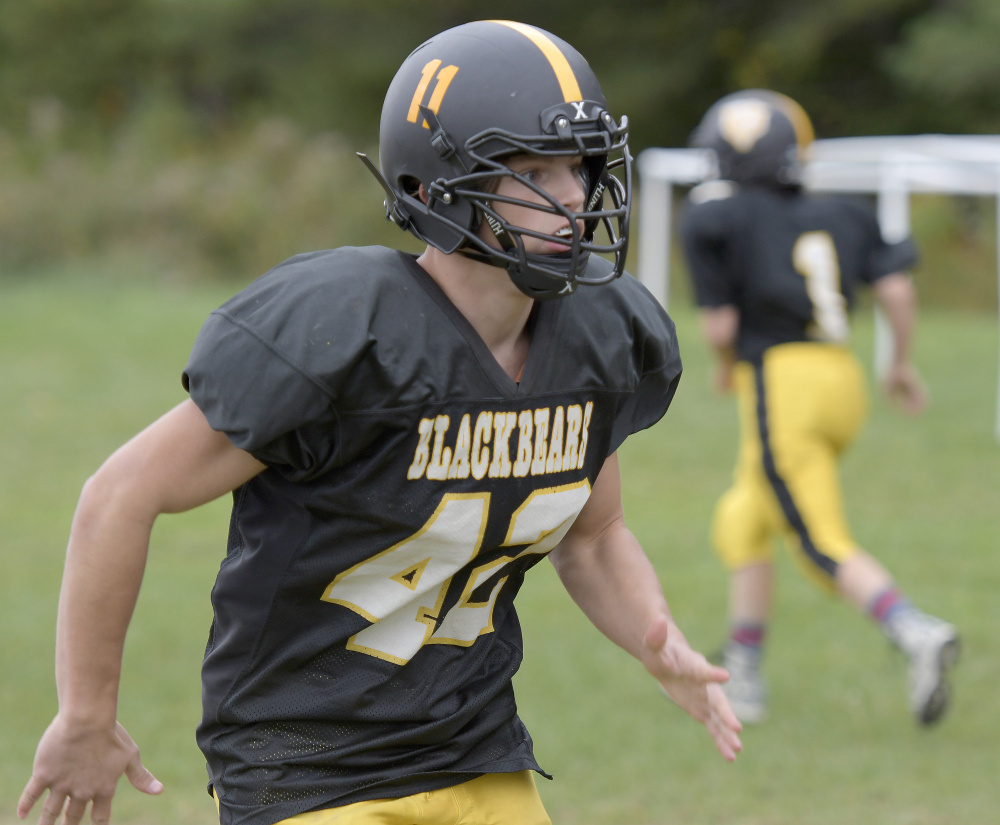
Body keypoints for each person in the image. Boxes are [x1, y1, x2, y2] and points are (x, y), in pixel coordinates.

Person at [18, 20, 742, 825]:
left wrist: (654, 636)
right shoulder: (349, 334)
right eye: (534, 170)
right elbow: (119, 494)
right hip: (307, 765)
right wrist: (85, 713)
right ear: (437, 187)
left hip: (474, 747)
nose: (572, 197)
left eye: (578, 165)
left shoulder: (597, 341)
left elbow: (595, 535)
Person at [678, 89, 960, 727]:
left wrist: (722, 364)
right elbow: (896, 289)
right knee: (745, 518)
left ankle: (914, 630)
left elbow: (721, 327)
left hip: (782, 385)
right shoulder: (844, 211)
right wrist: (901, 364)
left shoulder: (713, 219)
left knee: (816, 538)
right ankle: (743, 671)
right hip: (841, 377)